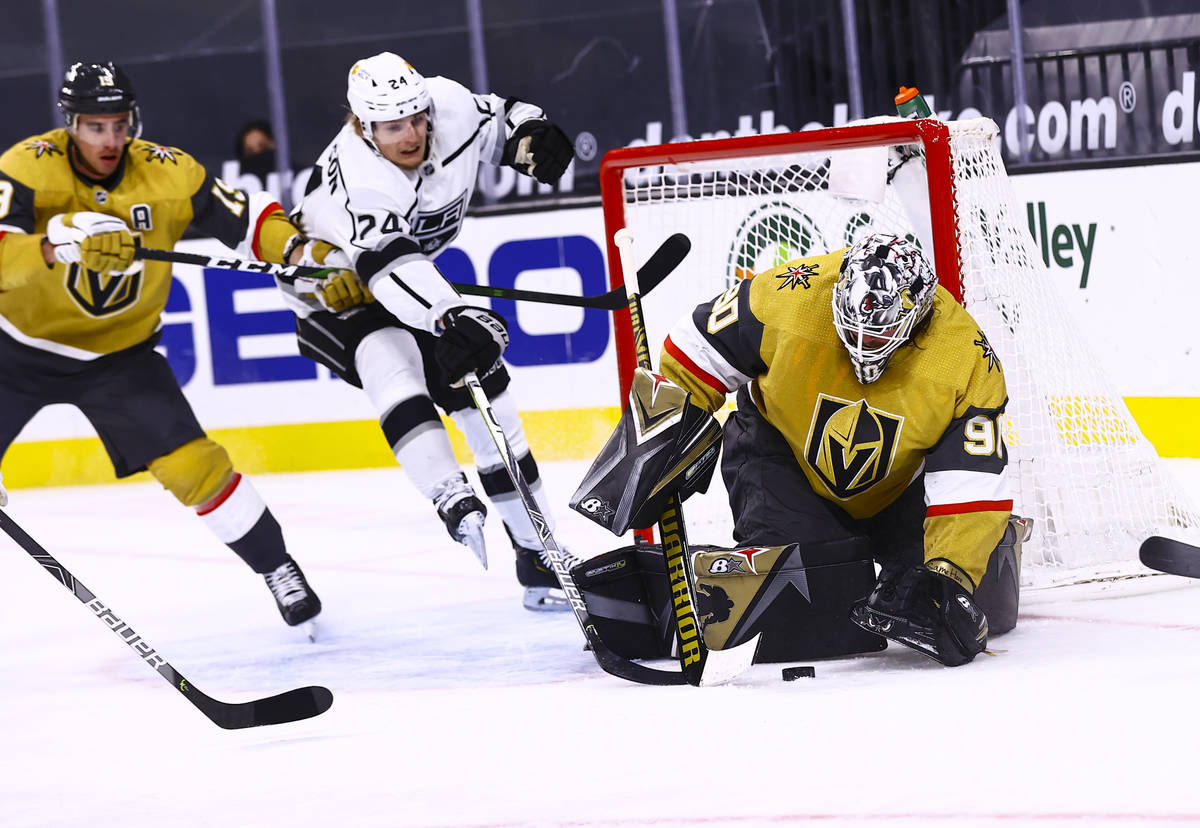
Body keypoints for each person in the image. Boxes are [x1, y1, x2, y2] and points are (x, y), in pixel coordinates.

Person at [0, 61, 328, 632]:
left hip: (121, 357)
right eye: (94, 127)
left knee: (194, 467)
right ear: (70, 123)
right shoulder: (25, 167)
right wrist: (53, 246)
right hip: (14, 350)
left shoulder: (170, 174)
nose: (109, 140)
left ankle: (278, 568)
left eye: (118, 124)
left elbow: (251, 220)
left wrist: (300, 256)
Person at [279, 52, 576, 611]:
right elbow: (390, 269)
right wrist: (448, 315)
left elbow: (496, 118)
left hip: (408, 276)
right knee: (391, 360)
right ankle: (450, 497)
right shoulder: (360, 183)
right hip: (331, 289)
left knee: (490, 401)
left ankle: (540, 554)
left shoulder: (446, 104)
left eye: (417, 118)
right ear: (362, 126)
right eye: (394, 126)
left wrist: (529, 134)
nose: (413, 134)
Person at [653, 233, 1024, 666]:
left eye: (878, 336)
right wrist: (661, 435)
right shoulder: (788, 296)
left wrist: (950, 572)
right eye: (853, 331)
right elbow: (694, 346)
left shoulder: (964, 356)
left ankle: (989, 543)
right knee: (810, 600)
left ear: (919, 314)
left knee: (967, 603)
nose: (863, 345)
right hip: (781, 458)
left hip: (899, 482)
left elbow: (969, 481)